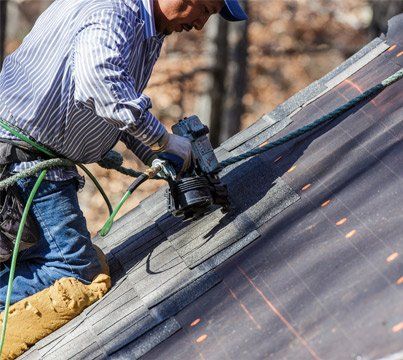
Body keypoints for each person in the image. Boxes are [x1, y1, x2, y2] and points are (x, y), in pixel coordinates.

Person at [0, 0, 247, 310]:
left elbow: (114, 100)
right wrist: (162, 140)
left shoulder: (146, 26)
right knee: (76, 272)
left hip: (24, 157)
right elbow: (99, 83)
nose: (200, 25)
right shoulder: (114, 13)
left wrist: (155, 151)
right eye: (205, 9)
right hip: (22, 161)